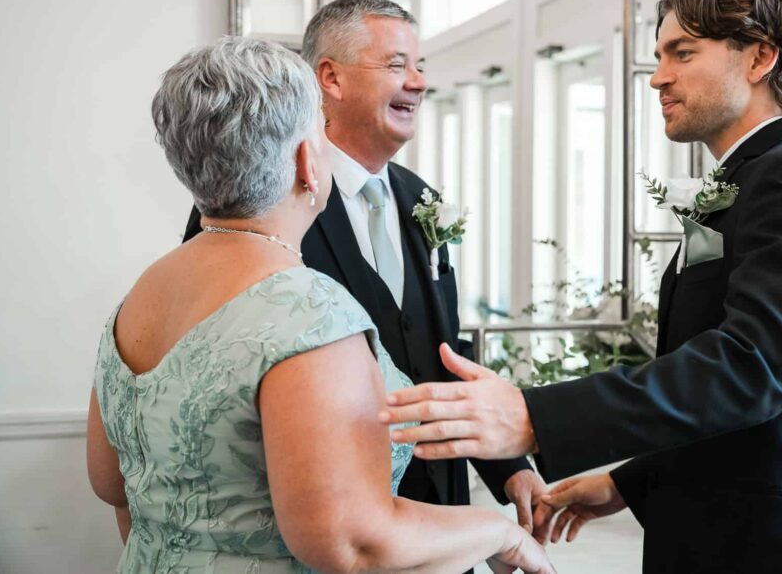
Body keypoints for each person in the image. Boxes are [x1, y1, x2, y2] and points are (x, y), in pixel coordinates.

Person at [382, 0, 782, 574]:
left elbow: (754, 367)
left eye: (683, 53)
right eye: (658, 55)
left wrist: (533, 417)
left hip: (777, 550)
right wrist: (631, 482)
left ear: (760, 59)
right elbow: (724, 394)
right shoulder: (743, 183)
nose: (659, 76)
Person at [86, 36, 554, 573]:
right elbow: (353, 544)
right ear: (308, 160)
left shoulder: (138, 299)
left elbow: (113, 486)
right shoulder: (308, 311)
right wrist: (500, 534)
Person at [180, 0, 545, 537]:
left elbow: (440, 350)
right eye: (397, 65)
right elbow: (214, 352)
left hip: (437, 512)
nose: (418, 83)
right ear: (331, 78)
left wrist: (509, 468)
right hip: (326, 514)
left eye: (420, 67)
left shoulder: (421, 198)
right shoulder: (260, 199)